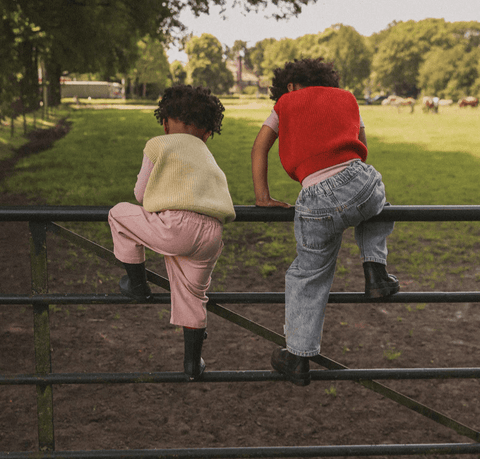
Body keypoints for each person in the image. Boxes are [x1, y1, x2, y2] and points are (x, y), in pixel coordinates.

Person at [251, 58, 399, 386]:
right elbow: (363, 146)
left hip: (313, 197)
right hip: (356, 180)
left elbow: (259, 147)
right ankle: (375, 271)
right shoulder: (346, 98)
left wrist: (263, 196)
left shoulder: (285, 102)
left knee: (308, 276)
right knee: (378, 205)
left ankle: (297, 357)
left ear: (290, 86)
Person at [108, 85, 236, 380]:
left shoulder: (158, 144)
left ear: (165, 123)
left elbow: (140, 194)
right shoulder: (206, 153)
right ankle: (192, 364)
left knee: (119, 215)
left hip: (176, 226)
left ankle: (138, 286)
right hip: (212, 233)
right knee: (193, 294)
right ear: (207, 132)